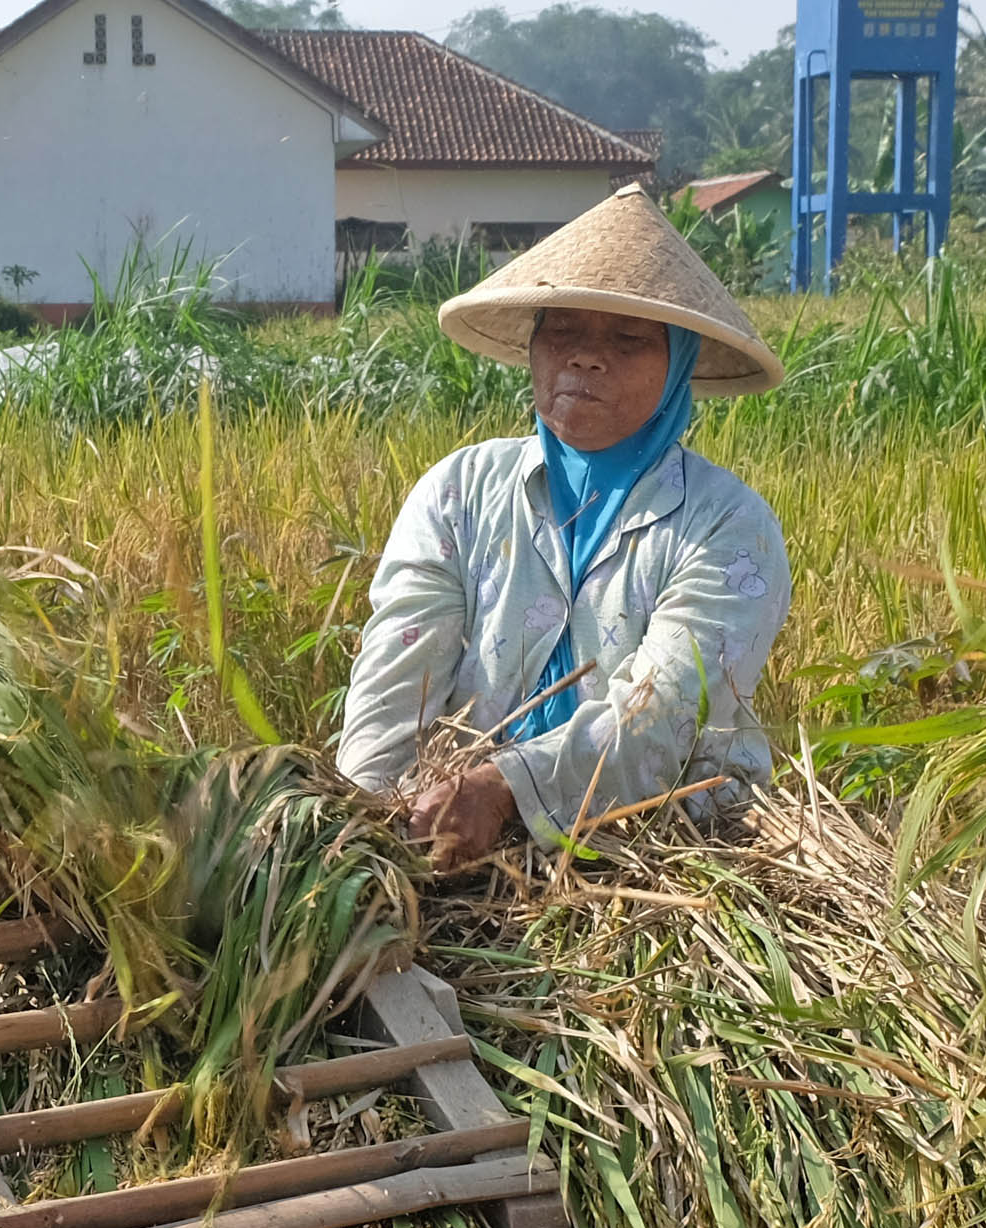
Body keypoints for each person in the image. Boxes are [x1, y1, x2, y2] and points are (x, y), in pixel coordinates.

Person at [337, 186, 791, 869]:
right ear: (534, 347)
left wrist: (503, 789)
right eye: (562, 332)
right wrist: (364, 826)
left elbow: (663, 719)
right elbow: (394, 679)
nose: (585, 357)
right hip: (451, 825)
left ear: (678, 365)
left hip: (662, 849)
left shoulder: (727, 526)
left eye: (628, 339)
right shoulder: (460, 493)